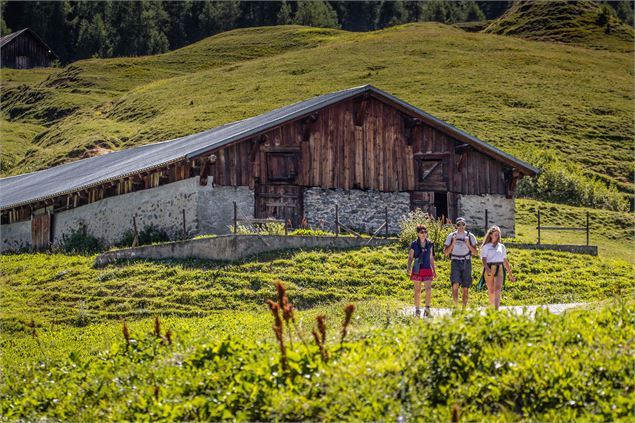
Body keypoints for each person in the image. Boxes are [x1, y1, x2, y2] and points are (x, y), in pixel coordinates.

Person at [443, 217, 478, 308]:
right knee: (455, 285)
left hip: (466, 261)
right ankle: (456, 308)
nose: (461, 226)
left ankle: (463, 309)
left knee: (465, 288)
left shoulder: (470, 236)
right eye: (459, 224)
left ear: (465, 225)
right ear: (456, 225)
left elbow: (475, 253)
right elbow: (446, 253)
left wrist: (468, 244)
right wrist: (453, 243)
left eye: (463, 224)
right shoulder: (451, 236)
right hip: (455, 261)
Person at [480, 225, 515, 310]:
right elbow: (484, 259)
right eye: (495, 234)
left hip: (499, 267)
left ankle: (496, 309)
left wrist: (510, 274)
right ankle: (492, 307)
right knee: (491, 290)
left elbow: (505, 261)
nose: (497, 236)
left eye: (498, 234)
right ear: (491, 235)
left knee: (498, 289)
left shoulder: (501, 246)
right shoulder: (486, 246)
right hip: (489, 267)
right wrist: (487, 268)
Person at [407, 224, 437, 317]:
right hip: (417, 269)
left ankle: (427, 309)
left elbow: (431, 257)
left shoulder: (430, 244)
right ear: (418, 234)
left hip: (427, 268)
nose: (424, 234)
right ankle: (417, 310)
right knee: (417, 290)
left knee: (428, 289)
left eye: (425, 232)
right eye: (421, 232)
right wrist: (408, 268)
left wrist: (434, 270)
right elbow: (410, 257)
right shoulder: (414, 244)